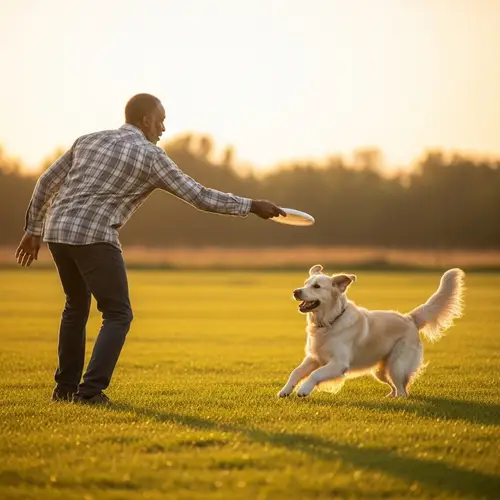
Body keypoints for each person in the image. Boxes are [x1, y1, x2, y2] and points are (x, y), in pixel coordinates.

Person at [15, 93, 286, 405]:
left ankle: (64, 390)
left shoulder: (88, 140)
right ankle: (89, 393)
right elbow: (198, 196)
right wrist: (252, 205)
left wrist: (33, 229)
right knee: (118, 313)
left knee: (75, 307)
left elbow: (46, 182)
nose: (163, 129)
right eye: (161, 121)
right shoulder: (150, 155)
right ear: (146, 120)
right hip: (94, 236)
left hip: (58, 232)